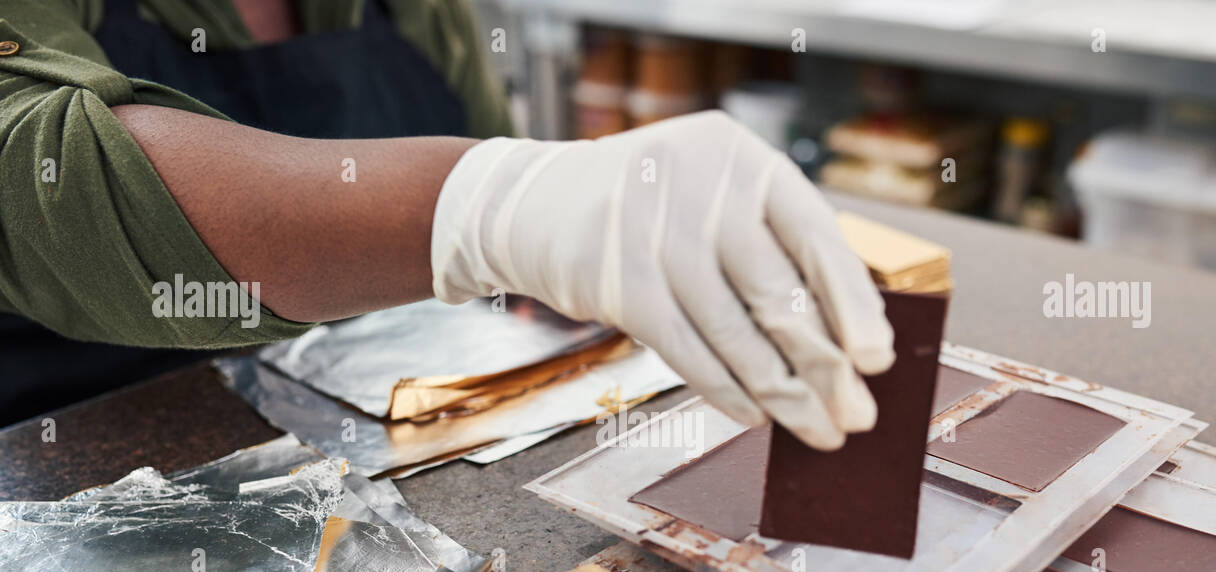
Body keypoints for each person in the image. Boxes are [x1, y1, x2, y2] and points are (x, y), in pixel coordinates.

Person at [0, 0, 894, 449]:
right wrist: (490, 204)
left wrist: (590, 236)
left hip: (384, 460)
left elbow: (489, 159)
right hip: (78, 498)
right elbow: (50, 176)